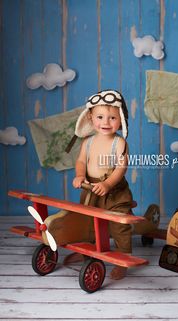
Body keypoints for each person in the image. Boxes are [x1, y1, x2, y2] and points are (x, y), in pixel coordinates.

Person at [66, 89, 134, 280]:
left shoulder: (119, 143)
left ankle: (123, 259)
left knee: (118, 225)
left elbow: (121, 169)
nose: (105, 122)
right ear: (90, 118)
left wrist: (107, 184)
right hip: (91, 190)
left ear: (120, 119)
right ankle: (87, 250)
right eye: (100, 117)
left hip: (115, 192)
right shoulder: (87, 142)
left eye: (112, 118)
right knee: (87, 222)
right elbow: (81, 161)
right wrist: (80, 175)